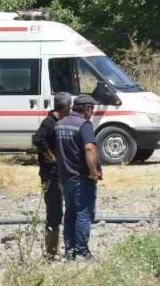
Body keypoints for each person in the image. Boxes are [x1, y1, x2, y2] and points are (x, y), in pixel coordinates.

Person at [55, 95, 103, 260]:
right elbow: (89, 148)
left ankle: (70, 251)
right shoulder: (84, 125)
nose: (92, 112)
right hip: (81, 178)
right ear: (87, 108)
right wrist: (93, 172)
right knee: (83, 213)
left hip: (65, 177)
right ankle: (81, 253)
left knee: (70, 214)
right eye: (92, 109)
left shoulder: (60, 124)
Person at [32, 91, 74, 259]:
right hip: (50, 175)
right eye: (70, 106)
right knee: (54, 211)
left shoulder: (61, 122)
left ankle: (59, 249)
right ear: (65, 107)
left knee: (61, 210)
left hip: (60, 174)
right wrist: (50, 155)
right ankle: (51, 252)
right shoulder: (49, 122)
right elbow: (38, 139)